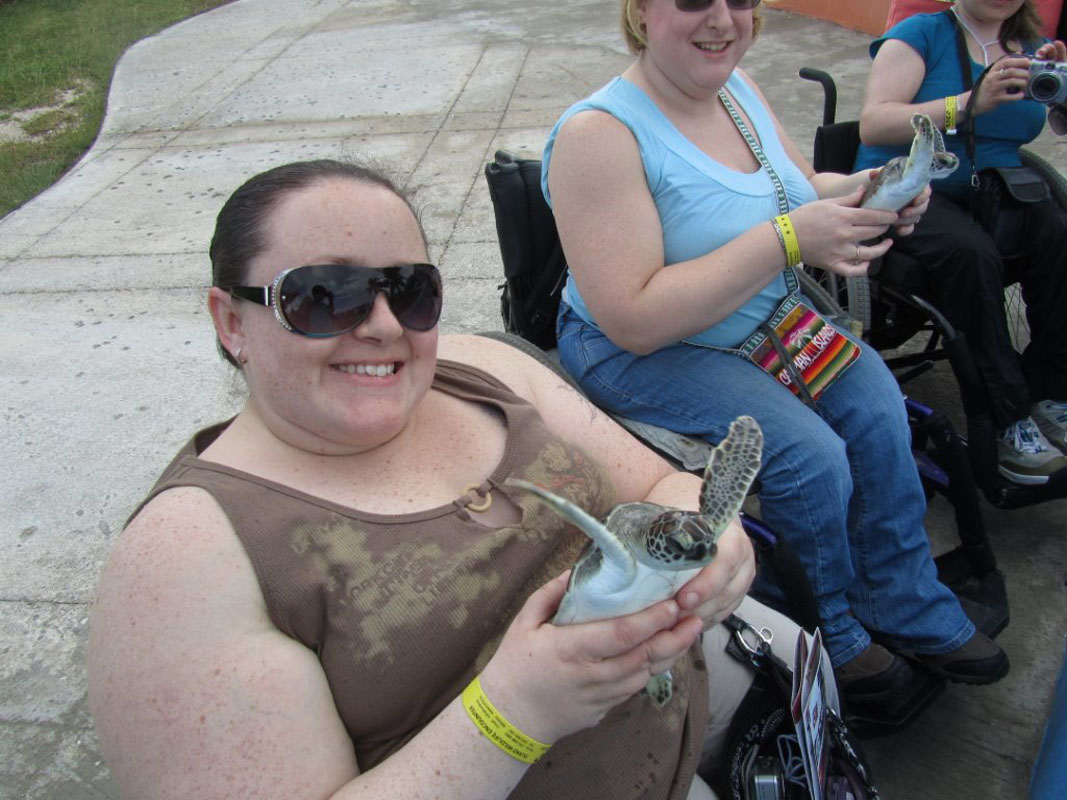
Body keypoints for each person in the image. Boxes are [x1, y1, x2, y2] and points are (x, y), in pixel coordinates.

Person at [86, 158, 812, 800]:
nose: (382, 326)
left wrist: (716, 542)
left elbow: (660, 484)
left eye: (408, 290)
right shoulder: (182, 562)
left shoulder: (480, 366)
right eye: (324, 294)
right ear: (231, 322)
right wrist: (513, 713)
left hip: (707, 681)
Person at [541, 0, 1009, 699]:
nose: (721, 19)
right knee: (807, 456)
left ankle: (900, 595)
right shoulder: (598, 135)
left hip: (759, 315)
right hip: (642, 348)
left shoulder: (737, 90)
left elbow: (803, 189)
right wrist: (788, 241)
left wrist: (874, 191)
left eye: (739, 0)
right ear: (641, 10)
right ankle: (829, 629)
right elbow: (634, 317)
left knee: (879, 405)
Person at [855, 0, 1067, 485]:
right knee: (970, 252)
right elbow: (875, 122)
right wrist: (970, 101)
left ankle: (1053, 390)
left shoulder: (1031, 49)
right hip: (910, 188)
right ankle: (1007, 418)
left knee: (1059, 234)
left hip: (991, 187)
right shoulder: (921, 34)